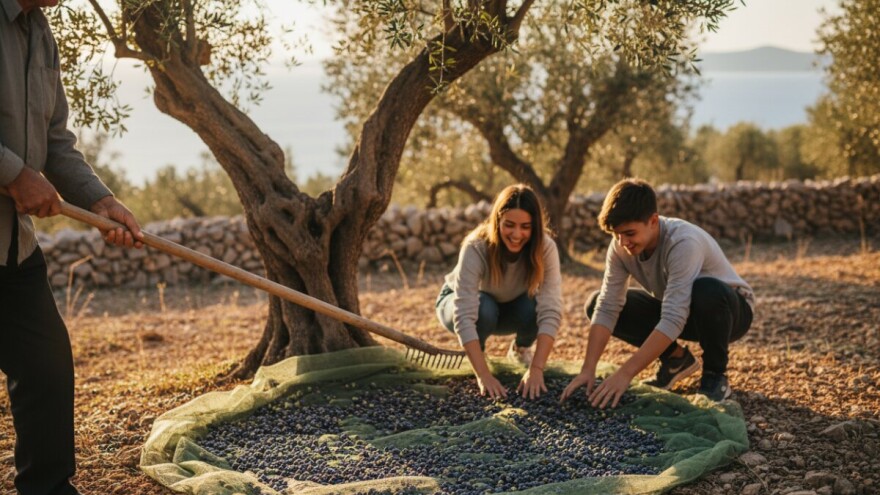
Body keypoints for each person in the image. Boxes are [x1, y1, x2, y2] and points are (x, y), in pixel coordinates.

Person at [1, 1, 145, 493]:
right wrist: (14, 174)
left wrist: (100, 200)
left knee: (46, 368)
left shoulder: (40, 33)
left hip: (12, 250)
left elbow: (56, 142)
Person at [560, 178, 754, 408]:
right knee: (595, 303)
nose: (623, 243)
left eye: (629, 233)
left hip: (728, 313)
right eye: (616, 234)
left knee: (706, 290)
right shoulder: (620, 246)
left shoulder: (682, 242)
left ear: (653, 221)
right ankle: (676, 360)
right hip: (681, 310)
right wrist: (587, 369)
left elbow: (673, 317)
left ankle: (715, 376)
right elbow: (608, 305)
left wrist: (625, 374)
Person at [436, 184, 563, 400]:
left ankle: (521, 350)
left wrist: (536, 369)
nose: (516, 234)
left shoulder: (546, 248)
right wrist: (483, 375)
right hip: (459, 303)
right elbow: (464, 314)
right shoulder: (476, 246)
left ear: (535, 227)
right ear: (497, 221)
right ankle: (478, 355)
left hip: (509, 305)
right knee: (484, 306)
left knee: (536, 306)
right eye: (509, 225)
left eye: (525, 227)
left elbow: (551, 309)